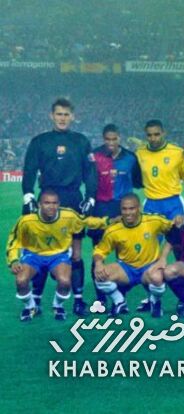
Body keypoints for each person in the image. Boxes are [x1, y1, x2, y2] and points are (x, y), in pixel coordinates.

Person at [22, 98, 98, 316]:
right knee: (41, 250)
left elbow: (90, 172)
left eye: (66, 114)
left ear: (72, 116)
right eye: (59, 114)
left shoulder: (81, 141)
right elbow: (29, 170)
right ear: (51, 116)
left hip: (73, 199)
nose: (62, 118)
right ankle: (36, 301)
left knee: (76, 253)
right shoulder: (40, 141)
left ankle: (78, 300)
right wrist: (28, 194)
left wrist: (91, 197)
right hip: (47, 199)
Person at [7, 190, 109, 321]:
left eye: (54, 203)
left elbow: (86, 221)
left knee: (65, 281)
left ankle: (58, 306)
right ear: (39, 204)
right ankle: (30, 306)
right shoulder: (26, 220)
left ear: (59, 204)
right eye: (47, 203)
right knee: (21, 281)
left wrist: (107, 222)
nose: (51, 206)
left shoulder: (68, 215)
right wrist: (13, 260)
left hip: (58, 255)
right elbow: (14, 240)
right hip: (33, 255)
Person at [93, 193, 183, 317]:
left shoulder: (153, 220)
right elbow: (99, 251)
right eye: (124, 209)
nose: (128, 213)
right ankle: (119, 302)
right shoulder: (113, 229)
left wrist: (163, 258)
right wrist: (98, 263)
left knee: (157, 278)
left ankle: (155, 302)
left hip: (149, 267)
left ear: (139, 208)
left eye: (132, 208)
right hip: (126, 269)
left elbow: (174, 232)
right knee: (100, 277)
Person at [88, 124, 142, 305]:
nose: (111, 142)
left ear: (120, 138)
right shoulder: (94, 156)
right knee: (98, 253)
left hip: (123, 208)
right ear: (103, 139)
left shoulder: (131, 157)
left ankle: (120, 295)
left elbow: (138, 182)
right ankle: (101, 297)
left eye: (114, 139)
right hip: (101, 208)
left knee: (123, 253)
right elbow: (89, 180)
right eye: (107, 139)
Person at [136, 119, 184, 220]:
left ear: (164, 133)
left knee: (180, 230)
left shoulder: (177, 153)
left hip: (174, 203)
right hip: (151, 203)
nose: (153, 138)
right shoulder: (139, 154)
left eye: (156, 134)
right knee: (149, 231)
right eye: (149, 135)